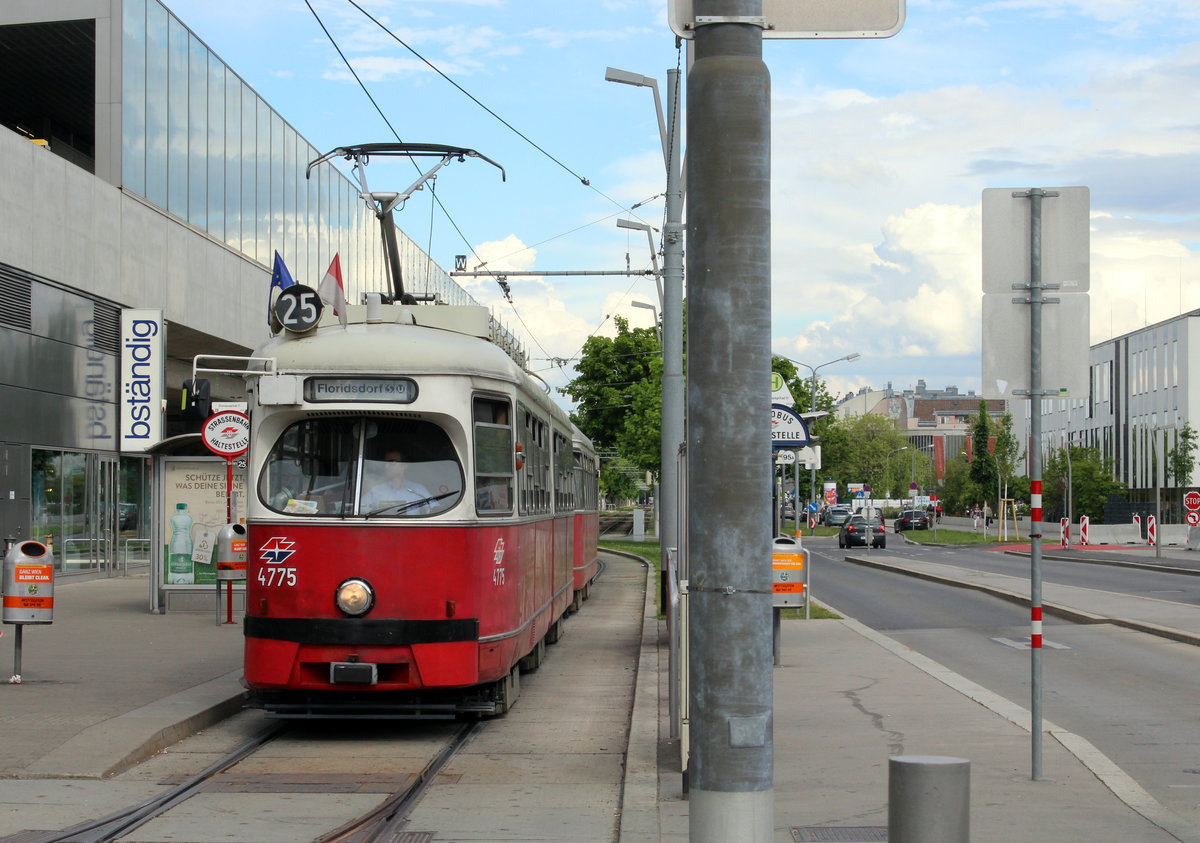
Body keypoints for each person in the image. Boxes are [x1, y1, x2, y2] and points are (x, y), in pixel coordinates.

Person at [361, 450, 433, 514]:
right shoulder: (376, 490)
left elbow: (434, 509)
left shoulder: (417, 489)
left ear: (404, 466)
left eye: (392, 463)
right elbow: (361, 510)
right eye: (385, 463)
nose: (386, 466)